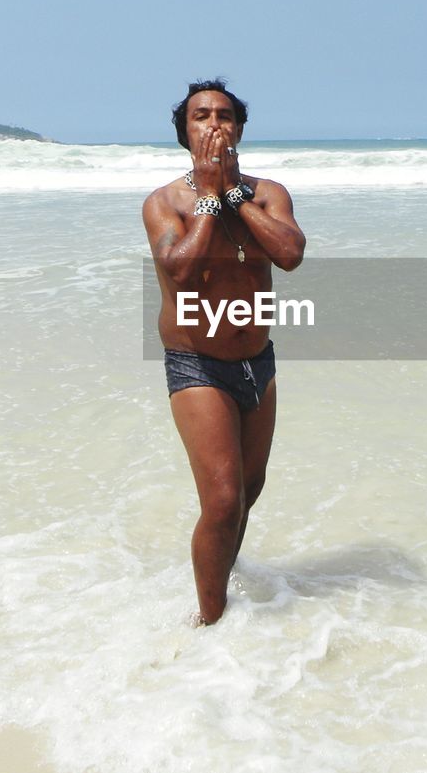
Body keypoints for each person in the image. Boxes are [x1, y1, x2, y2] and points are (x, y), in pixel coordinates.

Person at [142, 80, 306, 625]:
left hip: (258, 361)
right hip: (198, 363)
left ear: (239, 128)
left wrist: (234, 195)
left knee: (249, 489)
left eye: (225, 115)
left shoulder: (268, 193)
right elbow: (181, 272)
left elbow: (289, 254)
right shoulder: (164, 203)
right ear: (184, 133)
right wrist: (211, 198)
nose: (214, 124)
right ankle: (208, 622)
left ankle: (217, 574)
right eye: (201, 116)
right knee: (222, 501)